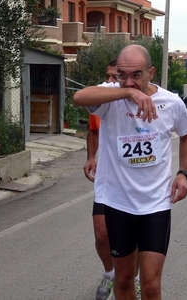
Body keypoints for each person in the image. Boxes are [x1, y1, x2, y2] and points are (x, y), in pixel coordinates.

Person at [74, 45, 187, 300]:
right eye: (122, 75)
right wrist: (127, 92)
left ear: (151, 72)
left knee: (150, 285)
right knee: (125, 279)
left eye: (136, 75)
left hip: (156, 204)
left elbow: (186, 135)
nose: (128, 81)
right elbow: (79, 97)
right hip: (119, 203)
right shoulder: (112, 97)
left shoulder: (171, 102)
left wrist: (183, 172)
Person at [84, 59, 141, 300]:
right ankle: (110, 273)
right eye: (109, 76)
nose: (109, 82)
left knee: (132, 238)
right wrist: (90, 157)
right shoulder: (102, 98)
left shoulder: (140, 101)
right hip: (107, 182)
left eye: (113, 77)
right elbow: (94, 130)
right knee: (102, 234)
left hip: (133, 183)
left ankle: (133, 277)